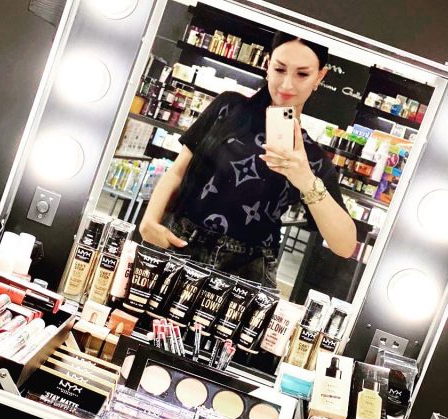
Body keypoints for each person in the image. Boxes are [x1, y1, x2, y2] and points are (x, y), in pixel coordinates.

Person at [139, 31, 357, 288]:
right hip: (180, 242)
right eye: (280, 69)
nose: (287, 85)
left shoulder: (311, 157)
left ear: (319, 77)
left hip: (245, 270)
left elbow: (345, 246)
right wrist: (149, 221)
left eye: (302, 74)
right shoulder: (228, 107)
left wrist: (306, 180)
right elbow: (178, 171)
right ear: (268, 65)